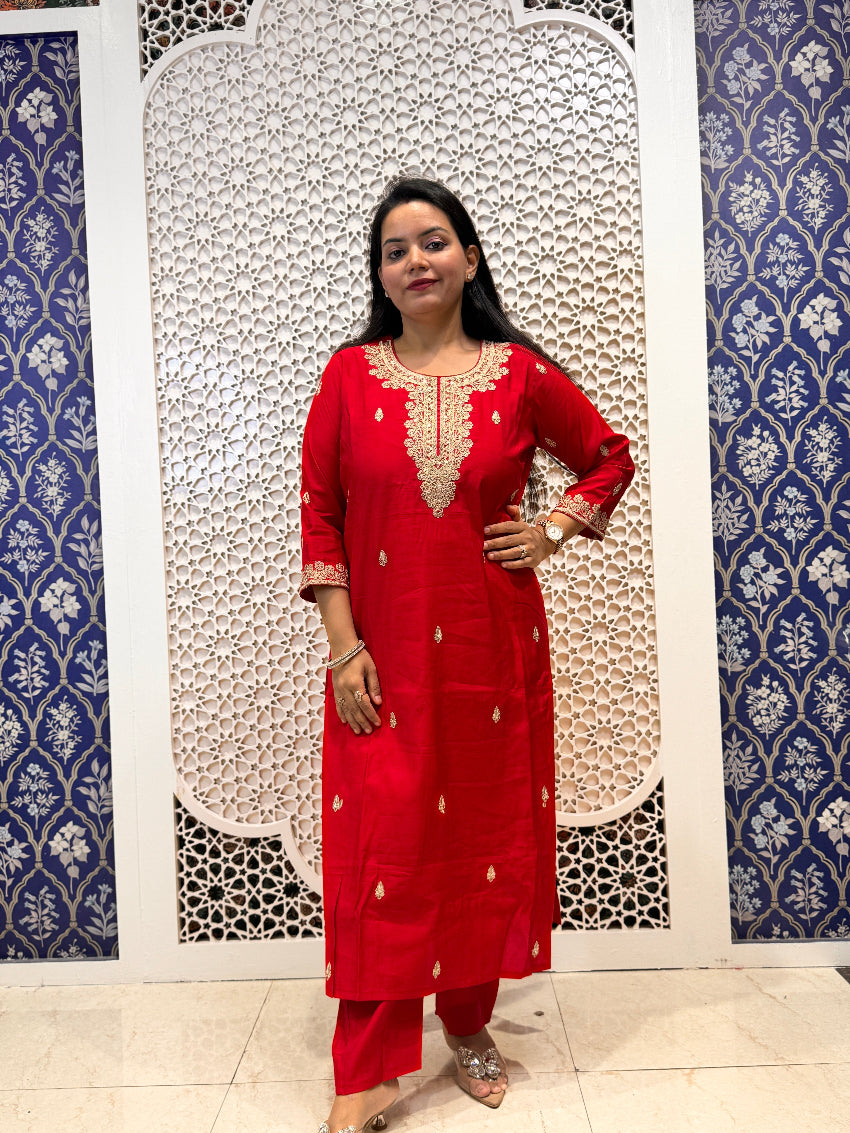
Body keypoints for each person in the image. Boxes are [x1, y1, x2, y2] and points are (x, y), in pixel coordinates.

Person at [299, 176, 634, 1133]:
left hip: (492, 648)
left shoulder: (521, 375)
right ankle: (363, 1069)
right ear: (381, 274)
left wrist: (556, 527)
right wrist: (343, 647)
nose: (416, 260)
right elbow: (321, 512)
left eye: (434, 241)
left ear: (470, 258)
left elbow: (608, 454)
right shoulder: (348, 378)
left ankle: (470, 1023)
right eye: (396, 248)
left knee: (480, 836)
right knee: (385, 848)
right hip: (383, 654)